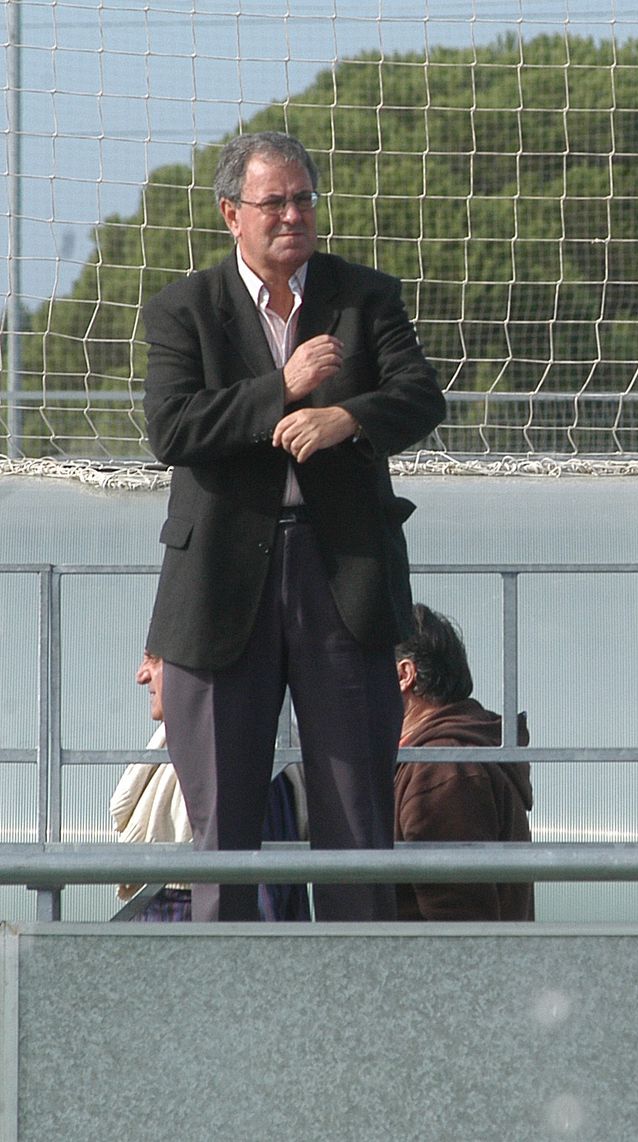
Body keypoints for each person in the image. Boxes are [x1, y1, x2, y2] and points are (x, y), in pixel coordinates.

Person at [141, 130, 446, 921]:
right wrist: (284, 386)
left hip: (341, 572)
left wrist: (345, 416)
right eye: (273, 202)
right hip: (217, 585)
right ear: (230, 214)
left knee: (355, 816)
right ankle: (230, 1004)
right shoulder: (185, 308)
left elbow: (421, 396)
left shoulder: (365, 295)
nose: (291, 215)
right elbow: (171, 430)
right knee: (224, 831)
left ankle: (353, 1002)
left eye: (303, 199)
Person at [111, 651, 309, 922]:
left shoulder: (243, 759)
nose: (141, 675)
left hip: (207, 959)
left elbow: (260, 916)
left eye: (154, 660)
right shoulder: (189, 751)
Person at [394, 604, 534, 922]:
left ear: (405, 674)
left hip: (432, 970)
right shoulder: (451, 757)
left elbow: (458, 925)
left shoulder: (443, 768)